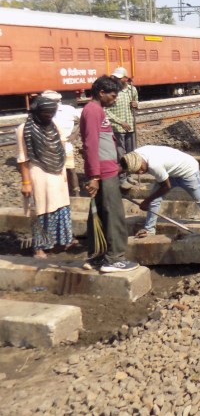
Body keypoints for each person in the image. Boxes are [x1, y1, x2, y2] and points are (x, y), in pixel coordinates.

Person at [81, 76, 139, 273]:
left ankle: (98, 256)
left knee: (101, 215)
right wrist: (95, 177)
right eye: (113, 96)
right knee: (114, 215)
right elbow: (90, 145)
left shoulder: (97, 110)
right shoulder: (92, 111)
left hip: (105, 170)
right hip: (103, 173)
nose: (114, 99)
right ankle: (114, 258)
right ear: (101, 93)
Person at [16, 95, 73, 259]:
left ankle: (59, 242)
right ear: (36, 112)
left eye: (51, 114)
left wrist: (63, 174)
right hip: (38, 175)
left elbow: (61, 149)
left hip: (57, 174)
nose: (48, 117)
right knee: (41, 210)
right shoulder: (23, 130)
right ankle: (39, 247)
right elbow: (23, 159)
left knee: (60, 207)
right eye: (46, 114)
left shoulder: (54, 126)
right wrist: (26, 182)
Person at [120, 147, 200, 236]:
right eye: (137, 172)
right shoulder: (133, 157)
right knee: (154, 201)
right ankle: (149, 230)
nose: (141, 172)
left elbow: (166, 187)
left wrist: (146, 201)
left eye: (141, 169)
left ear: (141, 162)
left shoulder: (154, 165)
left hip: (188, 172)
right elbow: (121, 166)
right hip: (170, 172)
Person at [42, 90, 81, 196]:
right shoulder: (42, 113)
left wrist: (74, 134)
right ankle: (59, 194)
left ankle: (76, 194)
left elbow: (81, 121)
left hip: (66, 146)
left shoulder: (68, 110)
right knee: (53, 172)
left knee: (70, 170)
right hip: (48, 147)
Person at [105, 67, 138, 190]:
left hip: (131, 126)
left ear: (125, 78)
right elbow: (106, 110)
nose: (116, 80)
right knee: (120, 154)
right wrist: (120, 122)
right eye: (115, 78)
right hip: (117, 128)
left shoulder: (132, 90)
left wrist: (136, 105)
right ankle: (121, 178)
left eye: (119, 78)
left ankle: (130, 175)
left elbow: (136, 103)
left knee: (131, 152)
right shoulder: (112, 92)